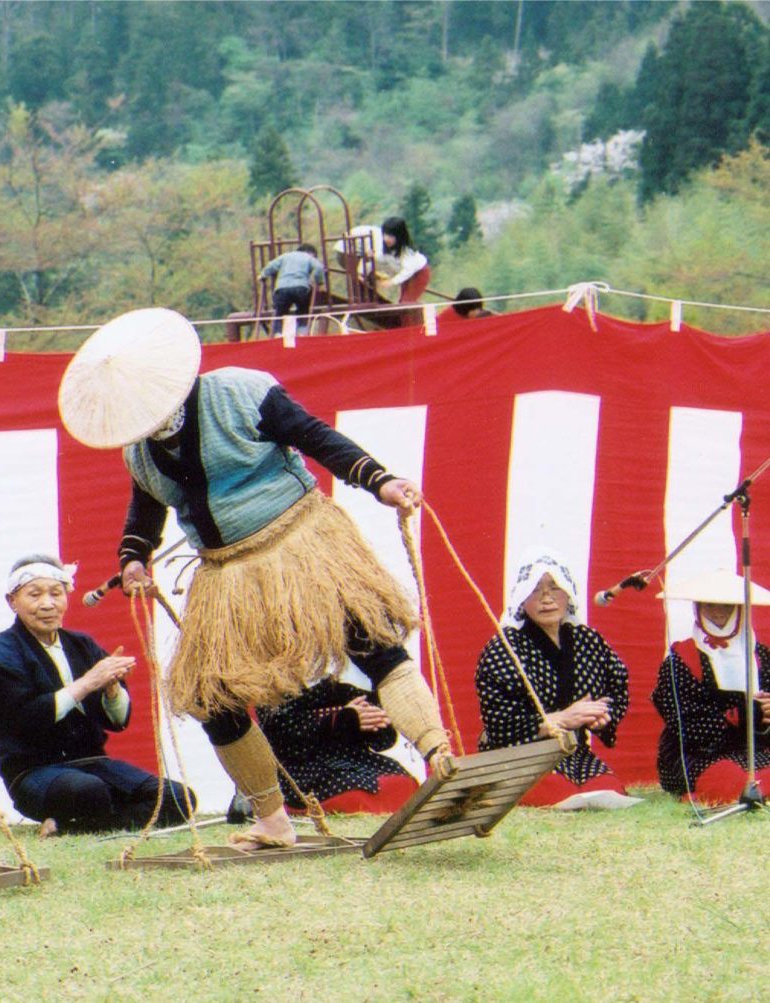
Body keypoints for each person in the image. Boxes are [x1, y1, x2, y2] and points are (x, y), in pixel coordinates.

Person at [57, 307, 454, 850]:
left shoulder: (243, 392)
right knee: (208, 695)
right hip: (225, 576)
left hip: (301, 544)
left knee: (373, 643)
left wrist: (379, 481)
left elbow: (317, 439)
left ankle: (442, 758)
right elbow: (144, 516)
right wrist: (133, 559)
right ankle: (272, 817)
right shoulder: (140, 452)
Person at [0, 554, 195, 834]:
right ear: (12, 601)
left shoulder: (81, 644)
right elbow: (24, 719)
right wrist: (89, 681)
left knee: (179, 799)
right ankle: (91, 816)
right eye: (35, 594)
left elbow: (115, 721)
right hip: (33, 771)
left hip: (93, 763)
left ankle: (68, 825)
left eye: (56, 593)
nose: (47, 604)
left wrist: (112, 690)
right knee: (88, 791)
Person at [475, 548, 638, 809]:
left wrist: (601, 718)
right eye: (536, 590)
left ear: (569, 593)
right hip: (522, 756)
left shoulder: (588, 640)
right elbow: (499, 724)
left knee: (607, 790)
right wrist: (561, 718)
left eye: (555, 588)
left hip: (573, 752)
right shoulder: (503, 649)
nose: (546, 598)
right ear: (522, 598)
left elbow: (616, 687)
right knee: (555, 792)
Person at [652, 569, 770, 805]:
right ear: (699, 608)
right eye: (710, 605)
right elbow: (688, 727)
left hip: (751, 751)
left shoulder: (761, 656)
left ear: (739, 609)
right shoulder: (681, 659)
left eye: (726, 606)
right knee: (728, 776)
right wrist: (748, 714)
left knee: (752, 775)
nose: (718, 613)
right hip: (698, 755)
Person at [257, 673, 419, 814]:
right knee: (357, 791)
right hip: (305, 770)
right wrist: (340, 719)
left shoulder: (340, 680)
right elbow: (281, 737)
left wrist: (374, 720)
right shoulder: (271, 687)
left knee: (403, 782)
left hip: (354, 759)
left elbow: (383, 741)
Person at [336, 216, 430, 323]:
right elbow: (372, 260)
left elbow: (408, 271)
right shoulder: (382, 246)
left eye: (391, 236)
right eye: (385, 235)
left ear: (399, 237)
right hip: (406, 276)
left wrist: (391, 282)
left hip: (419, 274)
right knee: (403, 302)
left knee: (406, 303)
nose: (386, 239)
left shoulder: (406, 251)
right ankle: (410, 327)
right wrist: (362, 273)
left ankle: (414, 328)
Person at [258, 243, 325, 332]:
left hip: (282, 289)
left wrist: (263, 275)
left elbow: (271, 266)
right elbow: (319, 267)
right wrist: (319, 281)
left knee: (279, 313)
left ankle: (277, 334)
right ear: (311, 253)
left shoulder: (285, 256)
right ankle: (302, 332)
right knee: (303, 310)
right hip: (301, 288)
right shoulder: (308, 257)